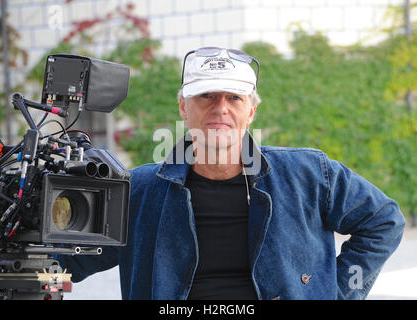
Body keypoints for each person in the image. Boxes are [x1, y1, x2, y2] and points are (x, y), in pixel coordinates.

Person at [58, 47, 405, 300]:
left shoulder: (308, 174)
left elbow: (383, 221)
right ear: (183, 105)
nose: (220, 108)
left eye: (234, 98)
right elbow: (70, 260)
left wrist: (341, 293)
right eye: (206, 95)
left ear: (251, 110)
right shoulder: (140, 190)